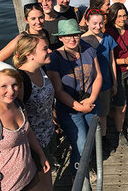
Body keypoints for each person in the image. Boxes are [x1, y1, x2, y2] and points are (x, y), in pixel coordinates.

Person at [0, 60, 50, 191]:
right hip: (7, 186)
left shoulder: (18, 105)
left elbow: (28, 132)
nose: (11, 91)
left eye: (14, 85)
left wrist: (41, 155)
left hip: (29, 175)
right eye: (3, 86)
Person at [46, 19, 102, 177]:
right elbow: (58, 90)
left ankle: (88, 165)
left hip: (91, 104)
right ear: (61, 38)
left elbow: (98, 76)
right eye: (67, 36)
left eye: (75, 35)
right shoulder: (55, 58)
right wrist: (78, 107)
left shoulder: (89, 50)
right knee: (81, 145)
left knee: (91, 143)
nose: (72, 39)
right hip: (69, 110)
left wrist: (91, 99)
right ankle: (78, 176)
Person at [13, 33, 55, 189]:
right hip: (33, 144)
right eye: (45, 49)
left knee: (47, 180)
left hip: (48, 134)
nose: (50, 51)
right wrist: (37, 151)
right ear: (29, 54)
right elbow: (18, 121)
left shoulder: (41, 69)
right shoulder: (21, 81)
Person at [81, 8, 118, 151]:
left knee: (103, 113)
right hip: (88, 86)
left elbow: (112, 62)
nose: (98, 26)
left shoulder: (108, 38)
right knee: (90, 115)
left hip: (106, 83)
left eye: (100, 23)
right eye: (94, 23)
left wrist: (114, 82)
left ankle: (102, 139)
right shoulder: (81, 41)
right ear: (87, 22)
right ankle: (91, 142)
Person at [105, 3, 128, 147]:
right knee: (120, 105)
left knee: (125, 100)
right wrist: (124, 60)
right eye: (119, 16)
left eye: (125, 15)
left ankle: (121, 123)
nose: (122, 19)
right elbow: (108, 58)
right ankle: (119, 132)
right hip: (116, 72)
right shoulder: (109, 33)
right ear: (113, 17)